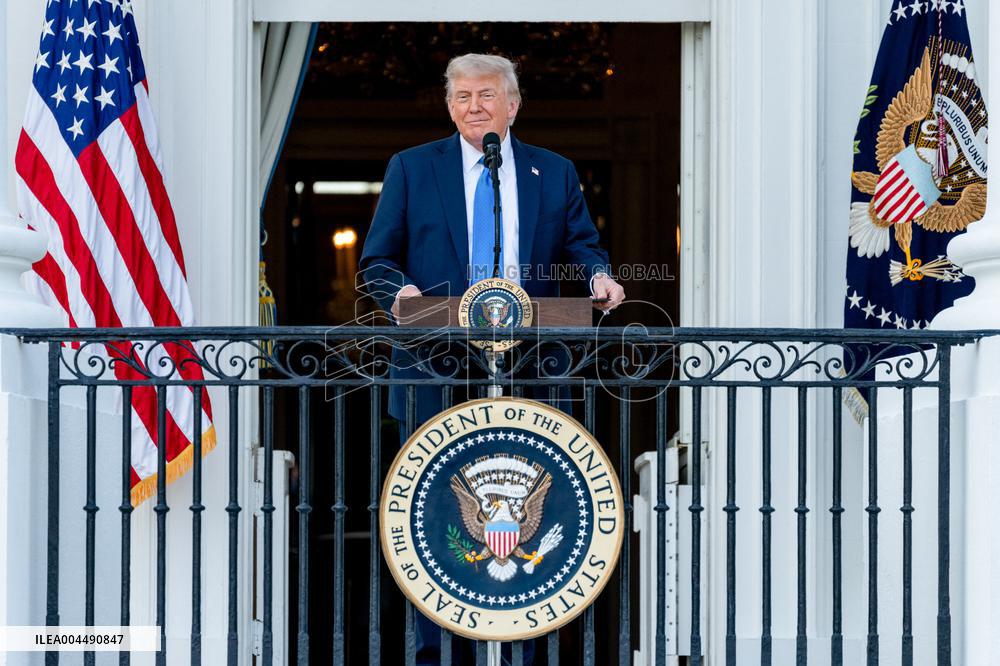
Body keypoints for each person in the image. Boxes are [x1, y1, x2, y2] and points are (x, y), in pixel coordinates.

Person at [359, 53, 625, 665]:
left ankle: (527, 648)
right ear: (448, 104)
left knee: (535, 501)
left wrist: (601, 278)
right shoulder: (412, 167)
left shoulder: (551, 172)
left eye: (485, 96)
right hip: (434, 363)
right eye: (460, 97)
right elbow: (377, 260)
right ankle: (437, 653)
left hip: (531, 365)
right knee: (431, 507)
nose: (472, 107)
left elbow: (582, 244)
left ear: (512, 105)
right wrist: (397, 291)